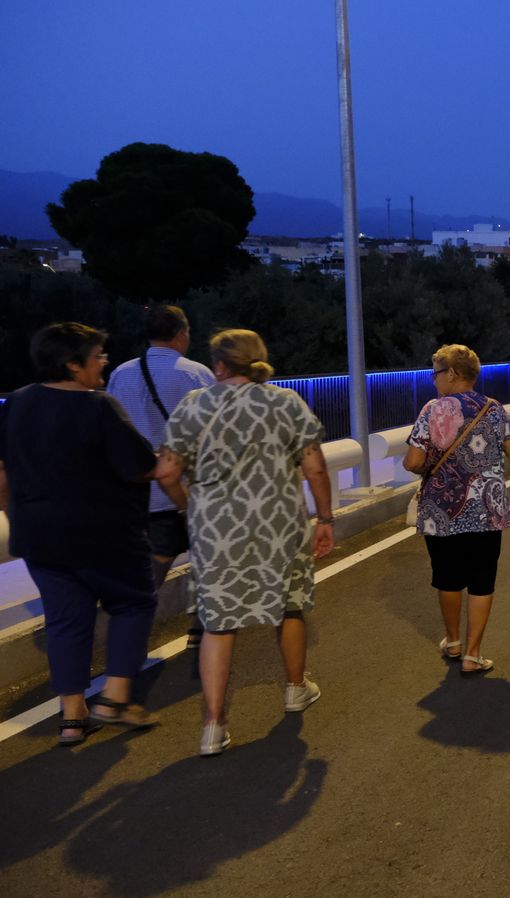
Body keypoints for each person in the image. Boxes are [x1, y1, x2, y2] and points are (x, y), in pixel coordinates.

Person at [154, 329, 336, 756]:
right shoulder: (286, 403)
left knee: (218, 622)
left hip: (216, 530)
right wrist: (325, 517)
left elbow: (165, 472)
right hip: (280, 524)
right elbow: (315, 468)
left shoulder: (194, 405)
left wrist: (189, 506)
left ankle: (213, 727)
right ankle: (295, 688)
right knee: (289, 606)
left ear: (218, 365)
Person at [0, 323, 163, 745]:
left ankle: (73, 717)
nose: (104, 362)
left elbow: (3, 472)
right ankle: (115, 697)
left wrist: (16, 516)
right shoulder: (100, 408)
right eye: (98, 356)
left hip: (40, 538)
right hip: (105, 535)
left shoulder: (15, 404)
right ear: (73, 365)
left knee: (65, 621)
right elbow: (141, 466)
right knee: (133, 602)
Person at [403, 344, 510, 679]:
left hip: (441, 512)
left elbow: (413, 461)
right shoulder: (494, 409)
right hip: (487, 510)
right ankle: (473, 655)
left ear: (452, 374)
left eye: (436, 374)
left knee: (447, 577)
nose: (433, 381)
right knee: (482, 579)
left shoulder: (432, 410)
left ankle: (454, 642)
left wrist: (426, 462)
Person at [105, 304, 215, 649]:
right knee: (205, 557)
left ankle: (126, 636)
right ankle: (199, 630)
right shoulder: (196, 374)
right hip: (190, 488)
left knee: (151, 565)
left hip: (141, 491)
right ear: (182, 333)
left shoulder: (121, 373)